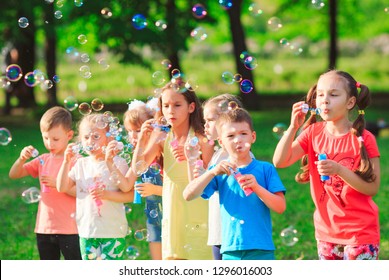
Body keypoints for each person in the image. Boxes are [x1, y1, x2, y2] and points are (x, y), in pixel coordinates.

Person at [272, 70, 381, 260]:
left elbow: (372, 188)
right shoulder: (313, 133)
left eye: (333, 94)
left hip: (360, 233)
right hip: (326, 233)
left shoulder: (364, 138)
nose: (324, 100)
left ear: (350, 102)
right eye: (320, 94)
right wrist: (293, 127)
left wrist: (339, 170)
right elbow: (280, 161)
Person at [183, 108, 286, 260]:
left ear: (253, 136)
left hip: (261, 249)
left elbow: (280, 206)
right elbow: (188, 195)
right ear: (221, 142)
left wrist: (257, 188)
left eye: (243, 134)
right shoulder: (219, 172)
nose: (238, 140)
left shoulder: (266, 169)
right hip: (230, 250)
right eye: (230, 136)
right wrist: (211, 173)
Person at [131, 78, 214, 260]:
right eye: (166, 106)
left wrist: (192, 158)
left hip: (198, 209)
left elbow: (212, 176)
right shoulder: (161, 137)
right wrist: (143, 142)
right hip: (173, 210)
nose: (170, 111)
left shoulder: (202, 139)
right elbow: (138, 168)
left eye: (177, 105)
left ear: (191, 107)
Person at [9, 106, 81, 260]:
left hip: (70, 228)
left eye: (55, 139)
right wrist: (21, 159)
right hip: (44, 227)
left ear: (69, 135)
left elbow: (83, 192)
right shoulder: (43, 160)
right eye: (46, 138)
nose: (50, 144)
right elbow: (14, 174)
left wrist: (59, 185)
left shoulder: (76, 161)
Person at [56, 113, 132, 260]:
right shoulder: (81, 164)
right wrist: (66, 162)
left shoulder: (118, 162)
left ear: (109, 138)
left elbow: (129, 193)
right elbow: (62, 187)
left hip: (113, 231)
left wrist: (106, 194)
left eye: (96, 137)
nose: (90, 141)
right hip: (87, 230)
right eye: (86, 137)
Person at [197, 93, 244, 260]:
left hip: (233, 232)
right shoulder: (218, 155)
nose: (205, 125)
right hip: (218, 230)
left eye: (210, 120)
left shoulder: (239, 153)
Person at [123, 98, 163, 260]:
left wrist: (155, 190)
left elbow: (177, 187)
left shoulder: (160, 152)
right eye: (129, 131)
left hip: (172, 212)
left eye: (138, 130)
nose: (133, 136)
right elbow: (127, 183)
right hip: (154, 216)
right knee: (155, 242)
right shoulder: (138, 156)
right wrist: (110, 163)